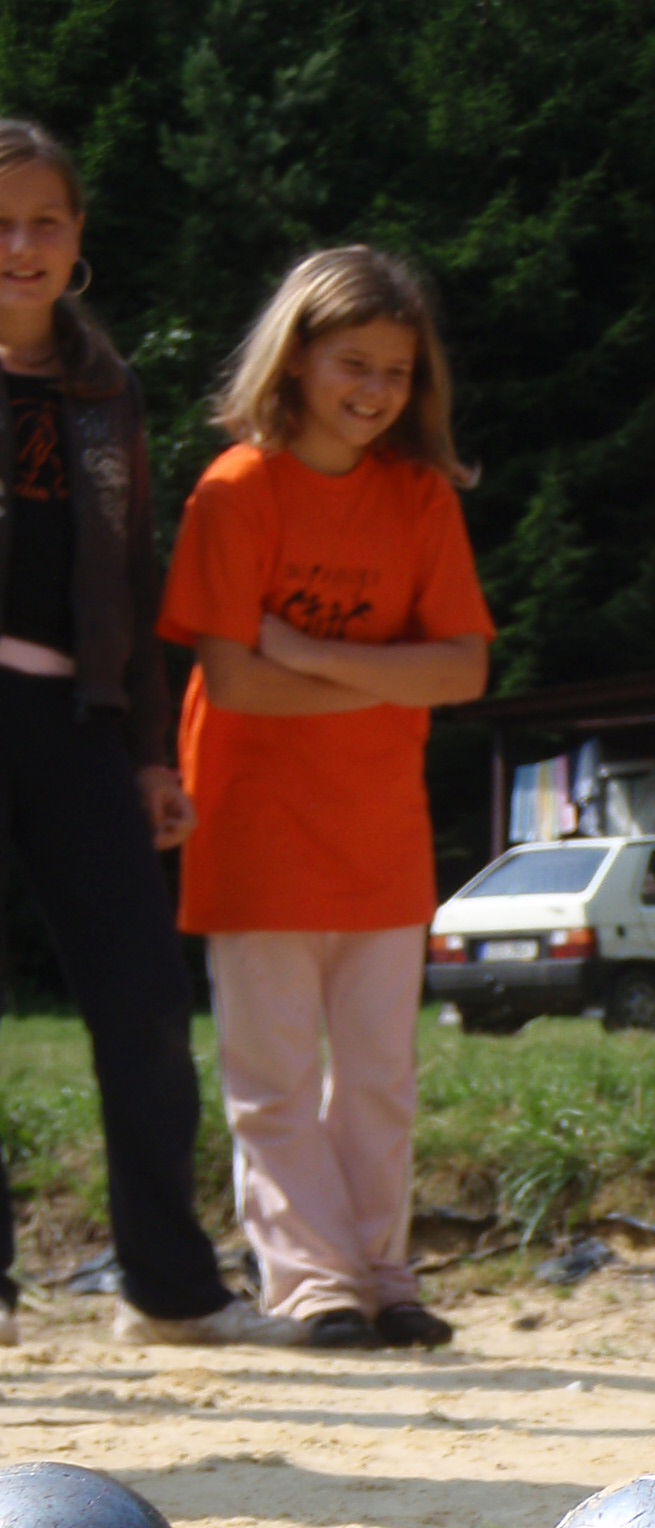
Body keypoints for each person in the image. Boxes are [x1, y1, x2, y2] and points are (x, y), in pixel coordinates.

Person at [159, 247, 493, 1352]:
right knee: (274, 1079)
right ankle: (312, 1281)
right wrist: (388, 674)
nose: (376, 390)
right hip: (254, 822)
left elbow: (464, 670)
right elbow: (232, 680)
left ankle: (383, 1273)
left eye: (397, 371)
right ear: (295, 359)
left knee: (380, 1075)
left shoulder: (418, 495)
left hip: (379, 829)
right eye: (354, 363)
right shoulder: (235, 490)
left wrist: (305, 649)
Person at [0, 120, 290, 1349]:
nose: (20, 244)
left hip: (78, 718)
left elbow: (131, 574)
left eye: (44, 221)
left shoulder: (105, 391)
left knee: (142, 998)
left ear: (78, 238)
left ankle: (169, 1291)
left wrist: (150, 756)